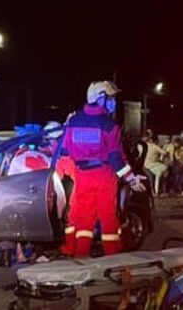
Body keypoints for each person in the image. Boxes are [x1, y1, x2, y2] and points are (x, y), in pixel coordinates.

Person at [55, 80, 145, 257]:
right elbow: (115, 157)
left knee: (83, 218)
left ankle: (80, 256)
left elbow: (64, 151)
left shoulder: (73, 121)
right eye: (111, 98)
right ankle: (112, 256)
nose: (114, 102)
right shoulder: (109, 124)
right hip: (104, 175)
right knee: (108, 217)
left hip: (82, 175)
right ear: (100, 98)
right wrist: (131, 179)